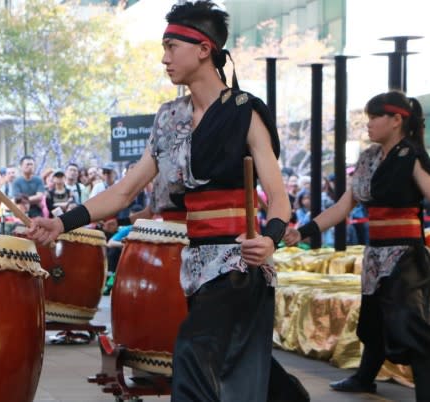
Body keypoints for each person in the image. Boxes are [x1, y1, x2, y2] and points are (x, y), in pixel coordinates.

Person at [27, 2, 304, 401]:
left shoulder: (245, 112)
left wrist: (271, 238)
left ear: (204, 48)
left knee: (192, 354)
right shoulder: (169, 117)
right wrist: (62, 223)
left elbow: (278, 197)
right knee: (237, 360)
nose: (164, 58)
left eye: (172, 46)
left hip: (239, 264)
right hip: (195, 266)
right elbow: (125, 191)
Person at [283, 91, 430, 401]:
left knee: (408, 325)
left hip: (405, 257)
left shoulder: (412, 156)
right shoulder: (368, 158)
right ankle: (365, 377)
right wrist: (303, 231)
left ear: (396, 120)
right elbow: (342, 207)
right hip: (375, 255)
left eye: (376, 117)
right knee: (373, 320)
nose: (369, 124)